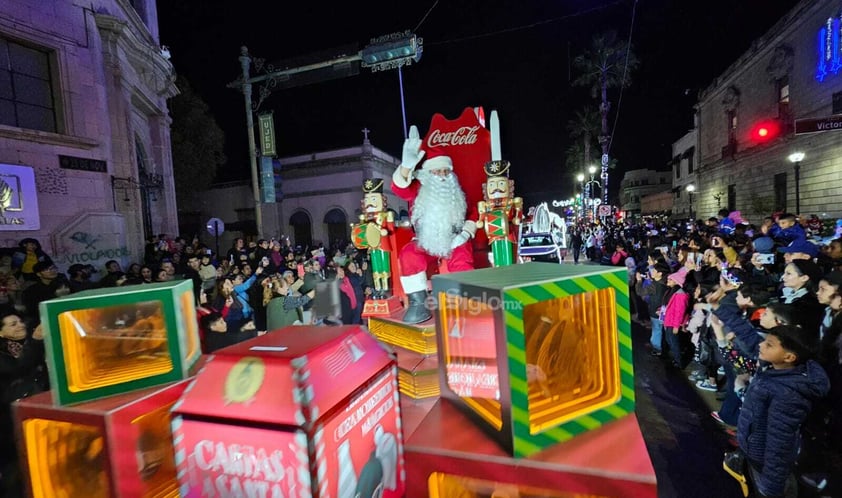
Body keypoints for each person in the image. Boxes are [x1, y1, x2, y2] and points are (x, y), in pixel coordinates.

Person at [721, 323, 829, 498]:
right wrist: (720, 309)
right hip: (753, 450)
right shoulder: (777, 368)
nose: (760, 345)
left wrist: (770, 489)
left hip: (761, 461)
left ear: (789, 357)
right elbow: (750, 338)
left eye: (769, 344)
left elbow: (779, 444)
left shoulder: (787, 394)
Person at [391, 125, 477, 323]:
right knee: (409, 254)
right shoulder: (419, 187)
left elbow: (473, 212)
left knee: (462, 258)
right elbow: (399, 189)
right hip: (426, 240)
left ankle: (465, 304)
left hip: (454, 239)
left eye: (446, 170)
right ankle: (418, 304)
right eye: (437, 171)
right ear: (428, 172)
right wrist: (405, 167)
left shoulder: (458, 192)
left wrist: (465, 233)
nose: (443, 175)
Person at [0, 309, 46, 495]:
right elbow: (18, 370)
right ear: (1, 333)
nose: (20, 325)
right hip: (10, 423)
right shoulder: (6, 355)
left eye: (20, 321)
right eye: (13, 324)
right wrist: (35, 342)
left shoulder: (25, 346)